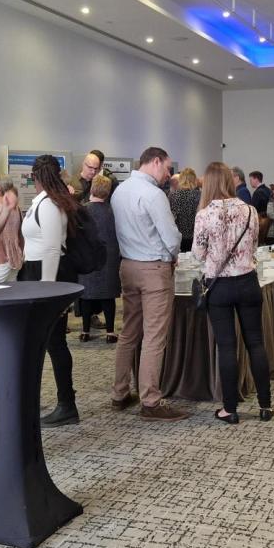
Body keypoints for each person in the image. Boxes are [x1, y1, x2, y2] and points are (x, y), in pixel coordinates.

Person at [110, 146, 188, 421]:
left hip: (127, 266)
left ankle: (120, 393)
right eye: (167, 168)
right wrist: (174, 255)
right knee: (154, 337)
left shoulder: (120, 191)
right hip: (154, 269)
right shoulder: (154, 195)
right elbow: (170, 235)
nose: (169, 174)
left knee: (129, 332)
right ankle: (151, 402)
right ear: (155, 162)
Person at [193, 162, 273, 424]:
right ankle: (265, 405)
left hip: (220, 287)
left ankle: (230, 409)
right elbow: (254, 246)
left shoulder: (204, 215)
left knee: (227, 347)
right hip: (248, 282)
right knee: (256, 344)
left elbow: (197, 254)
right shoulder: (249, 210)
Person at [19, 154, 83, 427]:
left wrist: (47, 291)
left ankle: (67, 404)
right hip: (37, 275)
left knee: (55, 343)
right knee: (46, 343)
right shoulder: (43, 203)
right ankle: (61, 401)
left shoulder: (49, 205)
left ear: (37, 177)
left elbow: (53, 249)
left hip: (47, 278)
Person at [78, 173, 121, 343]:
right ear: (108, 191)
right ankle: (110, 332)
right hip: (109, 259)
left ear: (92, 189)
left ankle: (85, 331)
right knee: (108, 296)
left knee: (86, 296)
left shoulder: (82, 210)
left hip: (87, 258)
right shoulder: (113, 211)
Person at [0, 177, 24, 284]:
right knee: (10, 294)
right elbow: (20, 234)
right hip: (15, 258)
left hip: (0, 261)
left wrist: (0, 257)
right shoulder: (15, 207)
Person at [168, 165, 200, 253]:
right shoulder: (199, 195)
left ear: (181, 179)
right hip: (195, 236)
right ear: (194, 179)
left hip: (178, 236)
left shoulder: (174, 195)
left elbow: (170, 217)